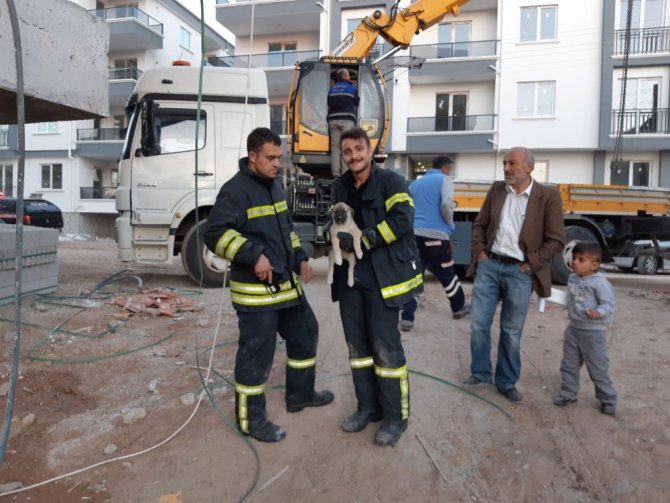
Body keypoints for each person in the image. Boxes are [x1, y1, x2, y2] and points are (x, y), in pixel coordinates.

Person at [204, 127, 334, 443]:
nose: (277, 163)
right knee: (256, 356)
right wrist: (253, 255)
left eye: (279, 157)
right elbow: (215, 234)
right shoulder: (234, 191)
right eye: (270, 158)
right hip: (256, 293)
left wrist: (300, 257)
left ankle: (300, 394)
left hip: (285, 286)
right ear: (252, 157)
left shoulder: (275, 186)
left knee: (306, 332)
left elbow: (286, 231)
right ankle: (251, 421)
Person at [329, 127, 423, 446]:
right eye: (347, 152)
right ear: (343, 156)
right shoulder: (339, 187)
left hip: (383, 278)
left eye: (359, 149)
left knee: (385, 349)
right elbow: (336, 223)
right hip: (351, 280)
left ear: (370, 151)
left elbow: (402, 219)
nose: (354, 156)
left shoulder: (391, 181)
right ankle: (367, 408)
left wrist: (366, 239)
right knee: (358, 350)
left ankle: (396, 418)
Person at [464, 146, 565, 403]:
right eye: (505, 164)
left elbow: (556, 241)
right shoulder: (497, 190)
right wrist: (480, 253)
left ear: (529, 167)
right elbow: (480, 225)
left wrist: (531, 264)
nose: (507, 168)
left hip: (520, 271)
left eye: (512, 164)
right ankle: (480, 372)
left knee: (511, 330)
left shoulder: (547, 197)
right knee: (478, 324)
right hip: (490, 266)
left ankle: (506, 381)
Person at [399, 155, 470, 332]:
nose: (451, 174)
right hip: (436, 236)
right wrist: (449, 224)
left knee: (415, 277)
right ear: (445, 169)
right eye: (451, 170)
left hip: (414, 236)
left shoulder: (415, 184)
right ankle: (458, 307)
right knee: (447, 274)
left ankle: (407, 318)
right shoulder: (444, 180)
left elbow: (408, 209)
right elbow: (447, 205)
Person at [553, 241, 617, 415]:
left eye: (581, 260)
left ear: (594, 265)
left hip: (593, 333)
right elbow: (572, 298)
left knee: (597, 367)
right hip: (573, 329)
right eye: (574, 258)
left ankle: (608, 399)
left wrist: (598, 312)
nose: (574, 262)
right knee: (568, 365)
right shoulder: (572, 278)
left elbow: (609, 305)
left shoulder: (600, 283)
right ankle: (568, 393)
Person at [328, 68, 359, 176]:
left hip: (333, 121)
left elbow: (328, 102)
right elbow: (357, 102)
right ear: (345, 77)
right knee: (346, 147)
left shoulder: (332, 89)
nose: (350, 77)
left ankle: (335, 173)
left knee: (335, 147)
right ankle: (346, 173)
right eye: (349, 76)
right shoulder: (351, 88)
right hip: (347, 121)